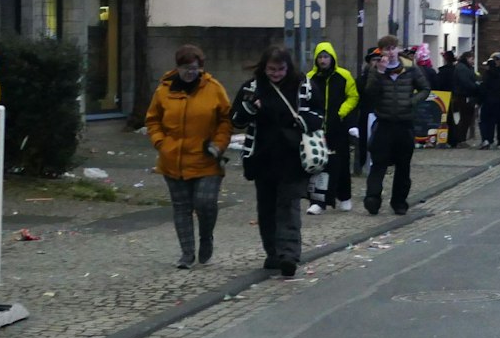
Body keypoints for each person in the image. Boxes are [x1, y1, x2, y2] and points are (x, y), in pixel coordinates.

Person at [232, 46, 324, 278]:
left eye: (280, 69)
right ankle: (273, 253)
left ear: (288, 67)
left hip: (293, 157)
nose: (276, 73)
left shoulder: (303, 86)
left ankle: (289, 255)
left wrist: (299, 121)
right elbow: (236, 119)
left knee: (288, 207)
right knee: (267, 208)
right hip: (262, 157)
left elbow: (318, 116)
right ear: (264, 68)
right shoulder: (251, 88)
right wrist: (250, 108)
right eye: (271, 69)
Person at [144, 44, 232, 269]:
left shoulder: (214, 89)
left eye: (194, 68)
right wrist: (161, 143)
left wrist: (219, 144)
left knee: (205, 202)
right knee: (181, 207)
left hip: (207, 158)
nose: (189, 72)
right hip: (174, 160)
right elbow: (153, 119)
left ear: (200, 68)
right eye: (185, 68)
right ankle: (187, 253)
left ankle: (206, 238)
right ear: (178, 68)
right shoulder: (164, 90)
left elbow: (226, 119)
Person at [359, 35, 431, 214]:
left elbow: (425, 88)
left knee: (403, 165)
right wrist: (379, 73)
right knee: (379, 163)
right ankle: (373, 198)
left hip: (404, 123)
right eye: (386, 49)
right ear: (381, 51)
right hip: (384, 123)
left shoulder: (410, 69)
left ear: (397, 49)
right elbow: (370, 93)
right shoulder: (376, 70)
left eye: (393, 48)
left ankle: (399, 201)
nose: (390, 52)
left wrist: (412, 101)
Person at [305, 41, 359, 214]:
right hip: (317, 129)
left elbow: (353, 96)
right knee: (318, 164)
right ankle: (318, 201)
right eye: (320, 57)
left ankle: (344, 197)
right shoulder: (310, 78)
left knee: (341, 164)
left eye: (326, 57)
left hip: (338, 127)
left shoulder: (344, 76)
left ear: (332, 58)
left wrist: (341, 112)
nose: (323, 60)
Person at [445, 51, 481, 147]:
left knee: (465, 119)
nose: (473, 61)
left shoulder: (464, 68)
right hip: (464, 97)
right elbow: (466, 83)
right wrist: (477, 87)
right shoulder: (462, 69)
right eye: (472, 59)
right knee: (464, 119)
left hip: (465, 96)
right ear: (467, 58)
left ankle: (461, 139)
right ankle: (460, 140)